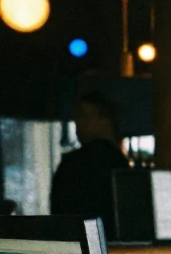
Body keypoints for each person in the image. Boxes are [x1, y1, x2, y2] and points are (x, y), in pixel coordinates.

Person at [50, 91, 129, 224]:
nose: (78, 123)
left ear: (105, 120)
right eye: (77, 117)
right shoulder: (121, 164)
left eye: (84, 116)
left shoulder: (73, 165)